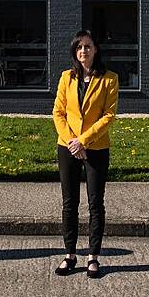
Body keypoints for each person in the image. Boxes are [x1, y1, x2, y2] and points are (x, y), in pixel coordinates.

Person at [52, 30, 118, 278]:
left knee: (95, 203)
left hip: (96, 148)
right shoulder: (66, 78)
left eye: (88, 46)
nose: (83, 51)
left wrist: (84, 140)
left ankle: (93, 256)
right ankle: (69, 254)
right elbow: (58, 112)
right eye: (79, 47)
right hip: (68, 147)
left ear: (96, 49)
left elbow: (108, 116)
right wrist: (72, 141)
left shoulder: (109, 79)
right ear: (74, 51)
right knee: (70, 203)